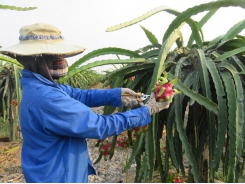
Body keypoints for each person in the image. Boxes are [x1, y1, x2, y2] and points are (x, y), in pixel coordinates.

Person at [0, 23, 174, 183]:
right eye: (55, 56)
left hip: (54, 171)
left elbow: (80, 95)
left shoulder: (43, 85)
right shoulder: (47, 98)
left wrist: (116, 95)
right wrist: (147, 110)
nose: (61, 60)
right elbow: (100, 126)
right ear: (37, 59)